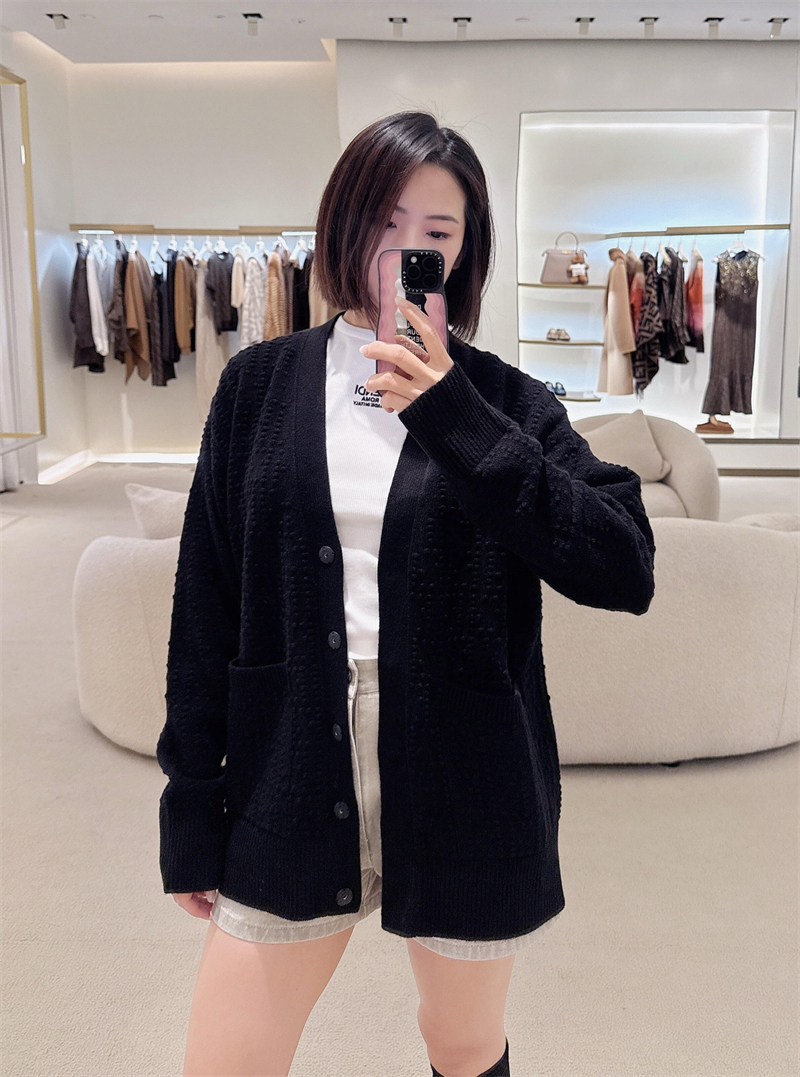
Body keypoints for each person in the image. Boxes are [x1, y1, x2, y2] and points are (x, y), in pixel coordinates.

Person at [159, 110, 655, 1077]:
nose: (407, 250)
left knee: (461, 1043)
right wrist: (190, 802)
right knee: (225, 1060)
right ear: (344, 221)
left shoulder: (505, 402)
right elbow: (203, 604)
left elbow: (624, 564)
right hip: (289, 754)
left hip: (468, 765)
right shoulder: (256, 387)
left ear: (464, 254)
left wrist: (453, 414)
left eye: (438, 231)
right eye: (387, 221)